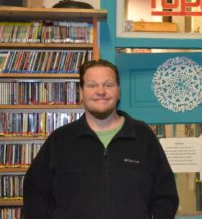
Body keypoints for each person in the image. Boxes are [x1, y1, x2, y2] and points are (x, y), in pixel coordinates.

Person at [23, 59, 179, 219]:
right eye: (92, 85)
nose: (101, 91)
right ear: (81, 92)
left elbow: (165, 196)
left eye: (108, 85)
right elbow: (35, 196)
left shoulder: (144, 137)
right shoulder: (59, 141)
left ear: (118, 91)